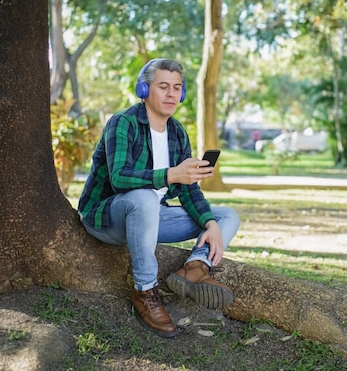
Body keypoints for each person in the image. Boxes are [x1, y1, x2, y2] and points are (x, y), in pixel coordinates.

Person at [78, 58, 240, 338]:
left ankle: (196, 266)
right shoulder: (123, 123)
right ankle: (144, 291)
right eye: (163, 86)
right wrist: (170, 174)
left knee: (226, 216)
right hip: (107, 217)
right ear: (144, 89)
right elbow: (119, 178)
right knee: (144, 198)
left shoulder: (177, 132)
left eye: (177, 88)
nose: (171, 94)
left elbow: (188, 188)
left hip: (151, 218)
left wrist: (209, 223)